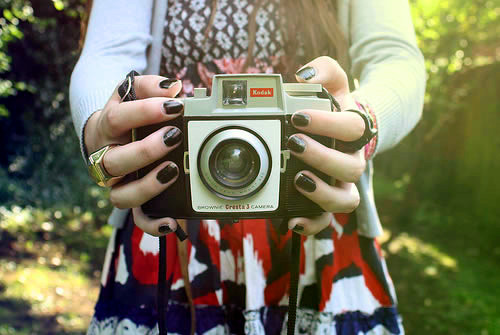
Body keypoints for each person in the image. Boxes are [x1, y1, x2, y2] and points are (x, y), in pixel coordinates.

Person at [70, 0, 426, 334]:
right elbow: (107, 53)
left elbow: (395, 58)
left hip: (313, 204)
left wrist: (359, 127)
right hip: (172, 208)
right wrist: (104, 127)